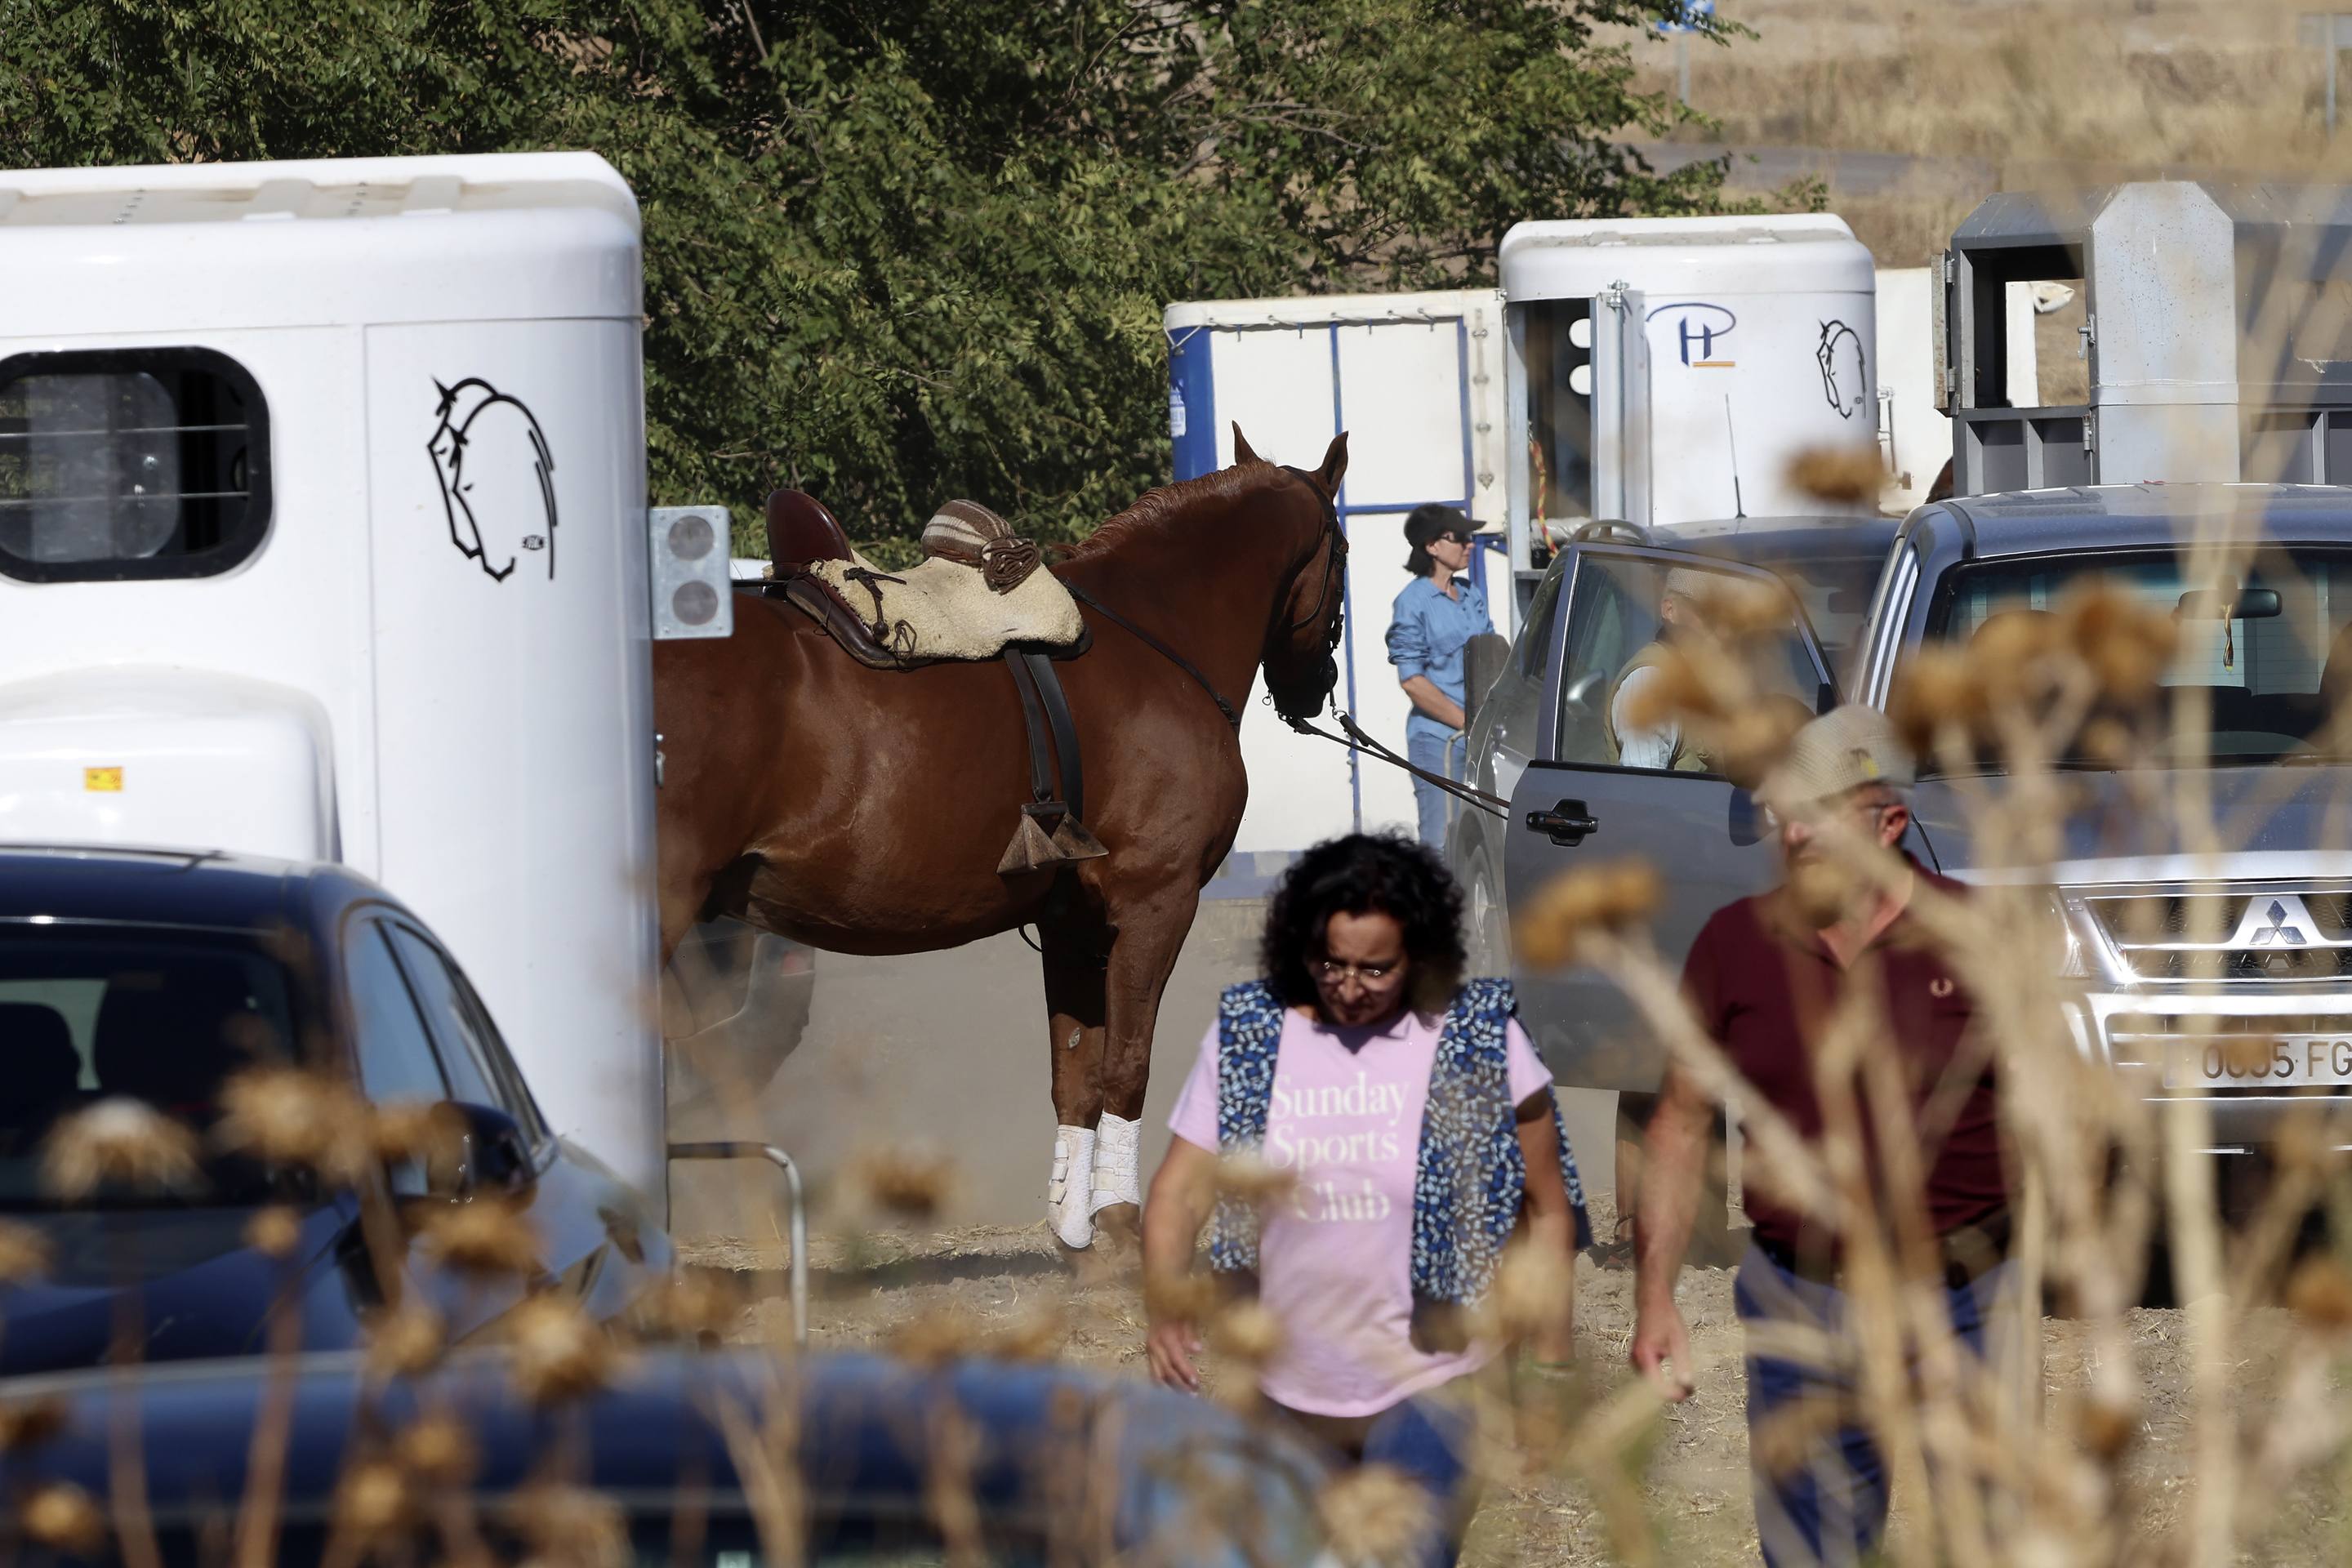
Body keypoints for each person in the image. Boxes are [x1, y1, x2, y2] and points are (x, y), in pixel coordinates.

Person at [1628, 706, 2012, 1568]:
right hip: (1803, 1297)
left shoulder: (1977, 932)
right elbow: (1682, 1121)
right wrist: (1656, 1299)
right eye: (1783, 812)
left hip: (1967, 1298)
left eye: (1820, 812)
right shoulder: (1736, 944)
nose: (1795, 832)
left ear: (1889, 822)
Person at [1142, 833, 1588, 1568]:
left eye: (1375, 968)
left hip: (1438, 1386)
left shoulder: (1475, 1038)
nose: (1349, 985)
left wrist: (1549, 1369)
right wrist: (1164, 1304)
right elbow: (1179, 1193)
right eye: (1332, 963)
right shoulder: (1252, 1037)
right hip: (1288, 1392)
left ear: (1419, 955)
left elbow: (1546, 1210)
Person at [1386, 505, 1495, 852]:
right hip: (1438, 743)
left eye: (1470, 538)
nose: (1470, 544)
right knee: (1439, 842)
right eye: (1460, 538)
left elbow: (1493, 661)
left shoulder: (1471, 595)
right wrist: (1465, 722)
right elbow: (1412, 682)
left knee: (1480, 839)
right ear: (1432, 546)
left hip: (1479, 740)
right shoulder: (1412, 602)